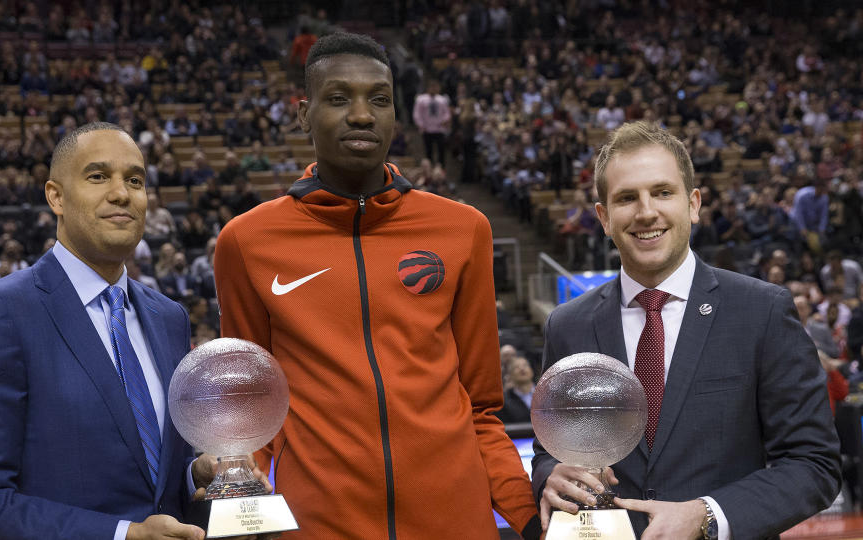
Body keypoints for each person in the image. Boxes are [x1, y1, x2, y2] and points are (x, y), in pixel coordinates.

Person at [214, 32, 542, 539]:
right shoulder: (247, 242)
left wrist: (533, 515)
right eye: (339, 98)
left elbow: (480, 409)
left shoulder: (463, 229)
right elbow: (253, 410)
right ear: (304, 113)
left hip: (454, 522)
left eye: (380, 100)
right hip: (320, 526)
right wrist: (236, 494)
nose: (362, 115)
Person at [531, 121, 840, 539]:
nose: (646, 212)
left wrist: (706, 515)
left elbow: (813, 464)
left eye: (662, 192)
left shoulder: (762, 311)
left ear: (692, 204)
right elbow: (549, 451)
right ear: (603, 217)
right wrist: (552, 474)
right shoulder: (568, 325)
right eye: (627, 198)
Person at [0, 123, 220, 540]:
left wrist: (196, 477)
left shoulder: (169, 317)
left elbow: (152, 478)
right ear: (56, 196)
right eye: (98, 176)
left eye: (135, 180)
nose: (122, 193)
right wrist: (124, 535)